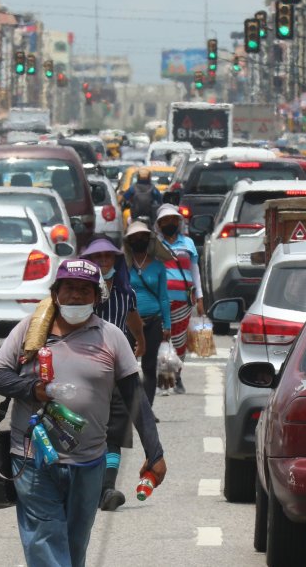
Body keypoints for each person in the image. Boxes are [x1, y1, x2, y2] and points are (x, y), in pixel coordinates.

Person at [0, 260, 167, 567]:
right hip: (32, 457)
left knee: (73, 545)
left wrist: (155, 452)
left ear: (97, 298)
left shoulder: (111, 336)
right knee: (45, 540)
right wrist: (33, 390)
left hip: (89, 462)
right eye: (69, 288)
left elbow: (134, 396)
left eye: (85, 290)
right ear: (56, 293)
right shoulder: (30, 331)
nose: (76, 297)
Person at [79, 237, 148, 512]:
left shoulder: (124, 291)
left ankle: (107, 488)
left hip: (116, 369)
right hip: (84, 368)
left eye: (109, 258)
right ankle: (86, 486)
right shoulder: (81, 292)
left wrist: (141, 339)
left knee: (115, 432)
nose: (104, 262)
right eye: (98, 259)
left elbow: (132, 316)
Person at [124, 221, 172, 406]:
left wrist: (167, 325)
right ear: (129, 241)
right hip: (129, 322)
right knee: (127, 367)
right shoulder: (124, 266)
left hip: (154, 321)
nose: (139, 240)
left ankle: (147, 409)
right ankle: (129, 407)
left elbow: (164, 297)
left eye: (142, 237)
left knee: (149, 366)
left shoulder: (158, 267)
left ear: (149, 240)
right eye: (135, 237)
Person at [155, 204, 202, 394]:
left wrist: (200, 297)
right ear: (159, 224)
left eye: (173, 220)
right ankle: (163, 379)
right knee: (161, 339)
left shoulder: (188, 243)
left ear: (179, 222)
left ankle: (178, 376)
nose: (170, 223)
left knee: (180, 341)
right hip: (160, 301)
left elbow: (195, 272)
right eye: (165, 220)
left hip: (183, 300)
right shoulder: (154, 244)